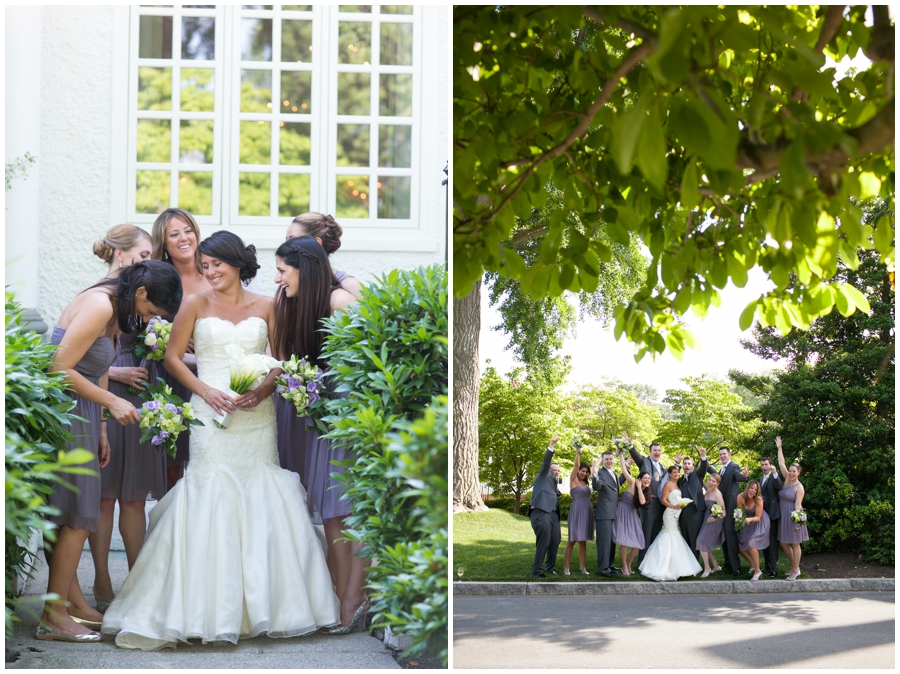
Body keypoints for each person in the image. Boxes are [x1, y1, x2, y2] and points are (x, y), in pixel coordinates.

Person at [101, 232, 340, 649]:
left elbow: (281, 361)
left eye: (216, 264)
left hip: (255, 417)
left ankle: (268, 606)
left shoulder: (268, 305)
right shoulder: (195, 303)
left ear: (236, 264)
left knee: (259, 490)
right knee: (209, 490)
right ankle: (198, 608)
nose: (208, 271)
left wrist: (262, 392)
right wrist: (206, 391)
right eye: (205, 265)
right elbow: (173, 357)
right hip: (209, 412)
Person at [38, 261, 182, 643]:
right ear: (140, 293)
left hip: (84, 413)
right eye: (150, 310)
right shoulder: (102, 304)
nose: (147, 317)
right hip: (66, 411)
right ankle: (53, 617)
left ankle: (68, 608)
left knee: (77, 512)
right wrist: (110, 402)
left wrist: (101, 424)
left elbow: (96, 362)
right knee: (79, 514)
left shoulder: (115, 305)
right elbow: (56, 367)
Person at [271, 235, 364, 633]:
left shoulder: (338, 301)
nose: (277, 279)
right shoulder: (293, 304)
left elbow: (360, 362)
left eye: (282, 270)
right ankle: (339, 596)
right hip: (316, 416)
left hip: (344, 413)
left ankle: (355, 597)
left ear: (304, 268)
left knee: (344, 509)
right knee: (329, 513)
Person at [87, 226, 167, 614]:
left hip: (141, 397)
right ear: (120, 255)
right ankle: (101, 580)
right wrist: (116, 374)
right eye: (141, 255)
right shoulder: (99, 296)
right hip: (107, 390)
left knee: (134, 498)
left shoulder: (148, 293)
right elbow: (77, 353)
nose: (146, 262)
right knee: (104, 497)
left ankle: (137, 583)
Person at [150, 208, 210, 489]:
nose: (184, 238)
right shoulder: (159, 279)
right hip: (173, 379)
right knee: (172, 464)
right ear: (164, 243)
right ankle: (171, 528)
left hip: (212, 374)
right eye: (174, 234)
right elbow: (145, 326)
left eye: (188, 230)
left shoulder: (215, 271)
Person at [637, 465, 702, 582]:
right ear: (670, 474)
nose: (677, 474)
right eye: (674, 472)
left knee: (675, 535)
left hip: (676, 514)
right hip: (669, 513)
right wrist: (673, 506)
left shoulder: (679, 485)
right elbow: (663, 500)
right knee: (670, 535)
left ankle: (679, 567)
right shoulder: (668, 484)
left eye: (678, 472)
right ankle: (663, 568)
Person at [285, 213, 363, 300]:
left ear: (316, 244)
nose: (285, 246)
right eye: (286, 240)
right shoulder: (289, 284)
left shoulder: (351, 286)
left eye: (292, 240)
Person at [625, 435, 666, 563]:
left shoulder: (663, 467)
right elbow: (636, 456)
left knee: (656, 533)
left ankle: (652, 561)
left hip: (660, 504)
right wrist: (630, 446)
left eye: (659, 450)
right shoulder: (644, 462)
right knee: (646, 533)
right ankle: (642, 562)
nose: (657, 452)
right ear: (650, 451)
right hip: (648, 502)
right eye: (655, 450)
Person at [712, 446, 749, 576]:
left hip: (731, 506)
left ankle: (736, 567)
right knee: (724, 534)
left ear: (729, 454)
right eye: (720, 454)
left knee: (730, 534)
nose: (722, 456)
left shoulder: (734, 466)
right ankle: (728, 562)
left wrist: (744, 476)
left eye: (724, 454)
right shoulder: (721, 470)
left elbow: (738, 477)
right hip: (722, 508)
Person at [775, 436, 808, 581]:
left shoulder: (799, 487)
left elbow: (798, 504)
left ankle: (795, 570)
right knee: (783, 542)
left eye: (794, 471)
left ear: (799, 472)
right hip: (783, 515)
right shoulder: (787, 479)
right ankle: (794, 566)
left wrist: (798, 519)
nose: (791, 473)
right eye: (790, 471)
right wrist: (779, 448)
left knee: (795, 543)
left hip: (792, 516)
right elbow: (781, 462)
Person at [528, 434, 561, 578]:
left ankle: (549, 566)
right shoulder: (543, 474)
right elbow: (546, 462)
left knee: (556, 540)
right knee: (544, 541)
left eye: (559, 471)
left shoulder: (554, 484)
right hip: (541, 512)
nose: (556, 472)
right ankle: (537, 570)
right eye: (554, 470)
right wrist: (551, 446)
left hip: (553, 514)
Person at [612, 454, 649, 576]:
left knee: (638, 541)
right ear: (640, 478)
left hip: (632, 513)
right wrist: (621, 455)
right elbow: (623, 469)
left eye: (649, 479)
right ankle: (623, 566)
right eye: (645, 478)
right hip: (623, 511)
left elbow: (642, 502)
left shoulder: (644, 491)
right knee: (624, 540)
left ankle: (629, 564)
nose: (647, 480)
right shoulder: (632, 482)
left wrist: (639, 488)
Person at [562, 446, 593, 575]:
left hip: (586, 512)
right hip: (576, 511)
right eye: (582, 470)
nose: (584, 473)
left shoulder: (587, 484)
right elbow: (575, 466)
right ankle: (566, 567)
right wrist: (577, 453)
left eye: (586, 471)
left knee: (583, 541)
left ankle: (582, 567)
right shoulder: (573, 481)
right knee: (572, 540)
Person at [677, 448, 710, 560]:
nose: (686, 465)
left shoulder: (697, 474)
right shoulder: (680, 479)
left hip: (695, 512)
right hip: (683, 513)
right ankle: (688, 563)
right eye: (685, 464)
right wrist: (676, 463)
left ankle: (695, 563)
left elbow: (703, 467)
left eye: (689, 464)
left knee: (694, 539)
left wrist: (703, 456)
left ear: (693, 466)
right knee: (685, 538)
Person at [591, 450, 619, 577]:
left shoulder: (614, 473)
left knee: (612, 541)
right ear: (602, 460)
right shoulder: (600, 473)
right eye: (607, 459)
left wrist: (627, 468)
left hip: (614, 512)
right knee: (604, 542)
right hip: (604, 513)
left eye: (611, 459)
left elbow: (615, 488)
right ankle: (603, 568)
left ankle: (609, 564)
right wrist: (595, 474)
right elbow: (597, 487)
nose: (609, 461)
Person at [736, 480, 770, 582]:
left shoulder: (758, 499)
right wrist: (739, 520)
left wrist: (749, 520)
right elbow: (740, 512)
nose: (753, 491)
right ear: (747, 488)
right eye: (752, 488)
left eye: (755, 490)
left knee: (751, 544)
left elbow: (758, 517)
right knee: (740, 546)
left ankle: (757, 571)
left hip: (759, 522)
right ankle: (752, 564)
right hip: (747, 521)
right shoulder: (740, 497)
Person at [696, 472, 726, 578]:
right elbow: (704, 484)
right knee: (705, 544)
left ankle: (707, 568)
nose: (711, 482)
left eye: (714, 481)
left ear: (717, 484)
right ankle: (716, 566)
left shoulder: (717, 494)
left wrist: (714, 518)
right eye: (710, 480)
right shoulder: (708, 490)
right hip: (706, 519)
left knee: (700, 541)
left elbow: (723, 513)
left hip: (714, 521)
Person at [759, 455, 784, 578]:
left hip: (773, 514)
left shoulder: (774, 476)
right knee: (764, 539)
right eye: (762, 465)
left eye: (766, 465)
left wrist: (775, 473)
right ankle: (768, 564)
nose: (764, 467)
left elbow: (779, 486)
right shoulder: (761, 479)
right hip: (762, 514)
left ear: (770, 465)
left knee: (772, 542)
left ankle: (774, 568)